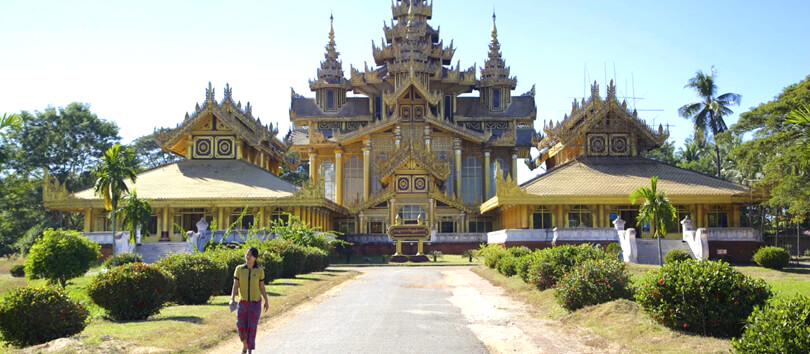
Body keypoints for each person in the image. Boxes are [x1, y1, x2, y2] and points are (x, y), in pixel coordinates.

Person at [230, 247, 270, 354]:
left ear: (255, 258)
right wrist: (232, 298)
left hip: (255, 303)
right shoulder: (239, 269)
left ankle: (250, 350)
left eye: (250, 255)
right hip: (242, 302)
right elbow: (235, 285)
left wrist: (266, 300)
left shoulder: (259, 270)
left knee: (252, 327)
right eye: (247, 254)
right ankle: (244, 345)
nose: (247, 256)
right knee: (240, 325)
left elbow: (262, 287)